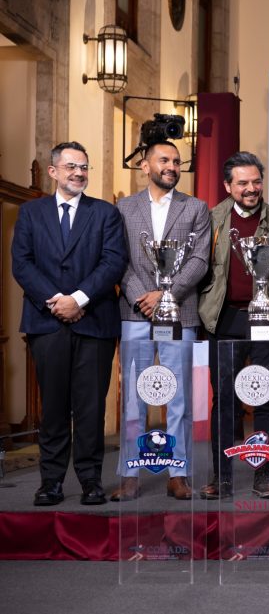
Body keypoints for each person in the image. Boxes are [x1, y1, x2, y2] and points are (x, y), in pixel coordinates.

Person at [12, 141, 127, 506]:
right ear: (53, 171)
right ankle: (51, 483)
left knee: (91, 408)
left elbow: (113, 262)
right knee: (53, 409)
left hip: (94, 323)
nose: (79, 173)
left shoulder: (106, 213)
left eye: (84, 167)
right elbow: (22, 263)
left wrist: (77, 299)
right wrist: (56, 301)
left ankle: (91, 481)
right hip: (46, 324)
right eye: (71, 167)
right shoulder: (31, 213)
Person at [112, 141, 212, 501]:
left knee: (179, 397)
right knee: (133, 399)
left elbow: (200, 260)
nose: (172, 166)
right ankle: (130, 474)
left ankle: (178, 473)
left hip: (180, 312)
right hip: (135, 312)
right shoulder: (123, 208)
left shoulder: (196, 208)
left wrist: (166, 295)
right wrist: (143, 295)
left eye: (177, 161)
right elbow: (118, 258)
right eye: (164, 160)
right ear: (145, 166)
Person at [197, 151, 269, 500]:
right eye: (243, 183)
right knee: (225, 400)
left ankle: (263, 474)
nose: (251, 189)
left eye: (256, 182)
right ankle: (221, 477)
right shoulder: (211, 219)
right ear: (228, 186)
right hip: (225, 319)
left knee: (266, 397)